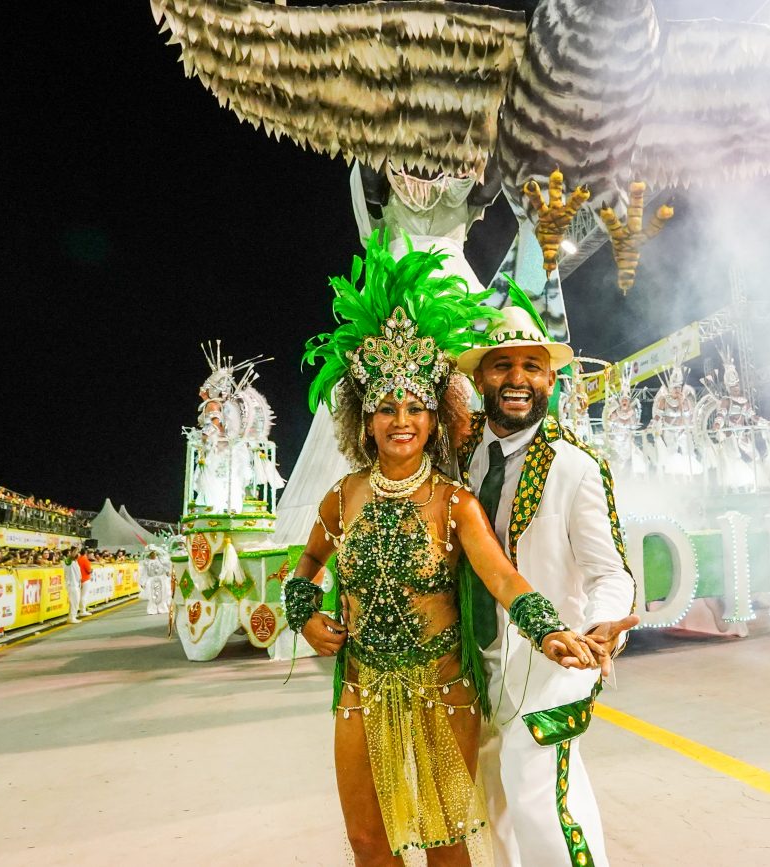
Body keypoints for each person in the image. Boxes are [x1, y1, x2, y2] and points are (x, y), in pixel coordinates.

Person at [287, 235, 616, 866]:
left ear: (436, 419)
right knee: (366, 841)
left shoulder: (455, 502)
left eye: (415, 407)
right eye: (385, 408)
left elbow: (503, 578)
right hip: (361, 687)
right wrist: (304, 611)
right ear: (364, 419)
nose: (400, 420)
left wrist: (552, 633)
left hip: (444, 690)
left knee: (446, 847)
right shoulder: (342, 496)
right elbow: (304, 566)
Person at [456, 292, 639, 867]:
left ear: (550, 378)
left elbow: (611, 572)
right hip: (473, 661)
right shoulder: (459, 461)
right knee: (486, 811)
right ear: (481, 378)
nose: (516, 378)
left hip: (553, 662)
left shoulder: (576, 467)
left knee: (542, 801)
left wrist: (600, 628)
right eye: (502, 364)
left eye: (531, 366)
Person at [75, 548, 93, 617]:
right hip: (85, 579)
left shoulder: (78, 559)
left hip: (79, 580)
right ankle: (83, 610)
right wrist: (91, 570)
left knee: (80, 596)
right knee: (84, 596)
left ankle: (80, 609)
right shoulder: (85, 560)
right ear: (86, 553)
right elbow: (89, 570)